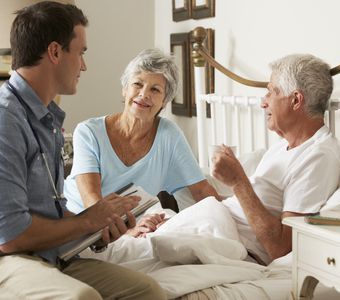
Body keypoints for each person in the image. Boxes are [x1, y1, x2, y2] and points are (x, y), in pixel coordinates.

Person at [0, 2, 165, 299]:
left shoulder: (47, 119)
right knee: (81, 297)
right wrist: (86, 220)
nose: (84, 66)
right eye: (81, 53)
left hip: (48, 254)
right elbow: (10, 236)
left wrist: (96, 226)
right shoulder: (5, 120)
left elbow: (49, 210)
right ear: (54, 52)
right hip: (9, 259)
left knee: (148, 290)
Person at [63, 48, 218, 236]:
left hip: (133, 225)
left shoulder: (169, 135)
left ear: (165, 101)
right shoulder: (88, 132)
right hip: (82, 227)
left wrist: (237, 219)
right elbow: (92, 204)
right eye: (137, 84)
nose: (144, 94)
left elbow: (202, 191)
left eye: (155, 89)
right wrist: (128, 231)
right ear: (124, 89)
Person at [210, 53, 340, 265]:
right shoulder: (282, 147)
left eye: (271, 92)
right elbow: (241, 207)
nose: (263, 102)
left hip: (228, 245)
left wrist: (238, 182)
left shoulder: (319, 156)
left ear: (296, 100)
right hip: (211, 225)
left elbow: (281, 248)